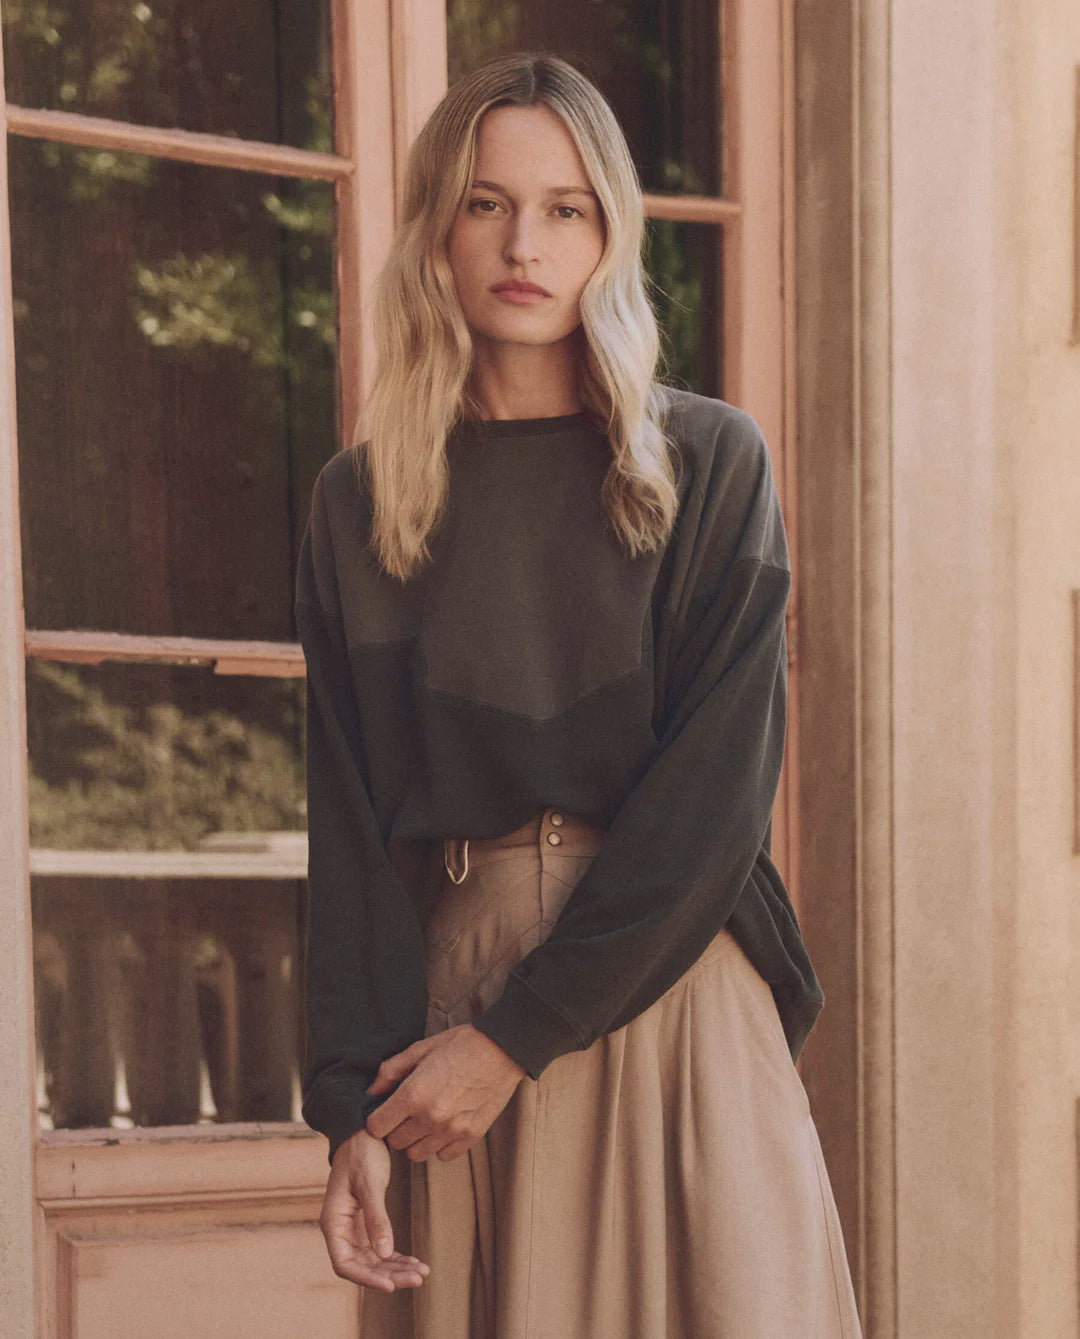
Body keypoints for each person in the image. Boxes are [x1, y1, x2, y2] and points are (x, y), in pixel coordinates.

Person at [294, 50, 863, 1339]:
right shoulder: (359, 502)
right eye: (486, 201)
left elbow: (716, 800)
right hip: (443, 1023)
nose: (525, 242)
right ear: (437, 227)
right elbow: (351, 824)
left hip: (667, 998)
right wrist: (351, 1109)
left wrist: (515, 1042)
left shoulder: (710, 464)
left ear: (611, 236)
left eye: (568, 208)